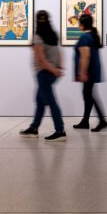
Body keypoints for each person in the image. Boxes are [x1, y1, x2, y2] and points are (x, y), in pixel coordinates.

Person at [20, 10, 66, 141]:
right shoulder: (54, 34)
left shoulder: (38, 37)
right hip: (52, 73)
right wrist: (58, 68)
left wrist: (53, 69)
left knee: (51, 101)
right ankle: (34, 128)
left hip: (44, 73)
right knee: (40, 101)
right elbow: (60, 52)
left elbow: (41, 60)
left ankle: (60, 131)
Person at [72, 14, 107, 131]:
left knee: (89, 95)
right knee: (88, 94)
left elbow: (85, 56)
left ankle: (102, 120)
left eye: (79, 23)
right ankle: (85, 121)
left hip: (88, 71)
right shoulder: (92, 35)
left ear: (82, 25)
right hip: (92, 70)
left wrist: (82, 72)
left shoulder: (85, 37)